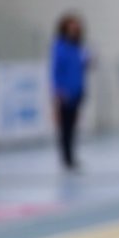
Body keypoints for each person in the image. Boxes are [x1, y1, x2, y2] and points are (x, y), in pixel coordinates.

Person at [51, 14, 90, 170]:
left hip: (77, 91)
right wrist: (58, 90)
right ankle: (66, 158)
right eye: (72, 26)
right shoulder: (60, 46)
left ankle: (71, 156)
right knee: (65, 127)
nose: (75, 29)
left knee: (73, 126)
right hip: (65, 92)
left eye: (77, 26)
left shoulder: (78, 46)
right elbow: (56, 70)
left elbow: (82, 67)